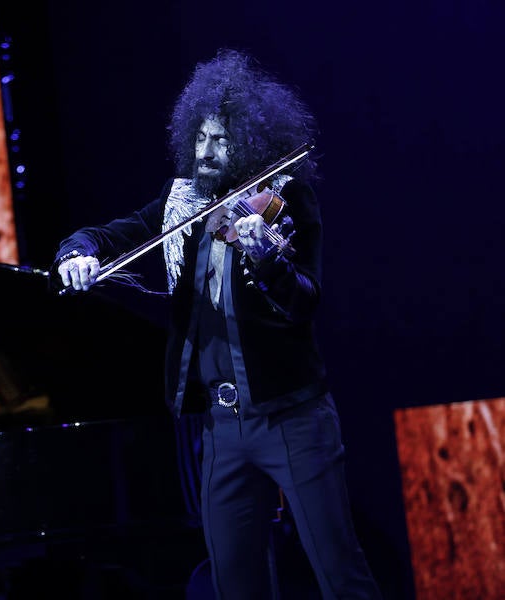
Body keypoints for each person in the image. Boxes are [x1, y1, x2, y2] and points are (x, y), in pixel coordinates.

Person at [53, 48, 381, 599]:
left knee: (340, 575)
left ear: (247, 142)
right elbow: (112, 234)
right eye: (199, 139)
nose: (206, 153)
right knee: (234, 584)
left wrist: (269, 260)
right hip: (220, 429)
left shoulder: (285, 197)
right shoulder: (181, 202)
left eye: (220, 140)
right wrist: (76, 252)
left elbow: (304, 302)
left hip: (292, 418)